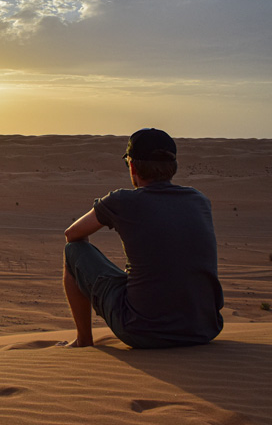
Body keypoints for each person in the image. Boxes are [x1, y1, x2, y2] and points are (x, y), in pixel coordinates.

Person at [62, 128, 223, 348]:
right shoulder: (200, 200)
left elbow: (72, 234)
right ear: (173, 167)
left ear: (133, 167)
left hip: (142, 331)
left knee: (73, 250)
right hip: (203, 329)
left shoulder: (122, 201)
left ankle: (83, 340)